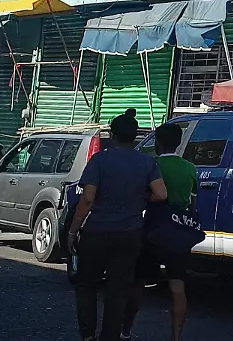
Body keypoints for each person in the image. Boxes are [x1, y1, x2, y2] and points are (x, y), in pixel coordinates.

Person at [67, 109, 168, 341]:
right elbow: (161, 194)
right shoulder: (146, 161)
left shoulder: (100, 160)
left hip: (97, 232)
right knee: (117, 289)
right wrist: (141, 198)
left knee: (86, 285)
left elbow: (88, 198)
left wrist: (73, 231)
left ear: (112, 135)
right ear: (134, 137)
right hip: (130, 232)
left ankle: (87, 335)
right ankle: (110, 337)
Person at [123, 122, 198, 341]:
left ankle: (125, 330)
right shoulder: (190, 168)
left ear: (158, 143)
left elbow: (141, 196)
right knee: (178, 286)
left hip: (152, 229)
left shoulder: (151, 165)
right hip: (179, 232)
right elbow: (193, 205)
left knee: (138, 282)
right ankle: (175, 337)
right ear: (179, 143)